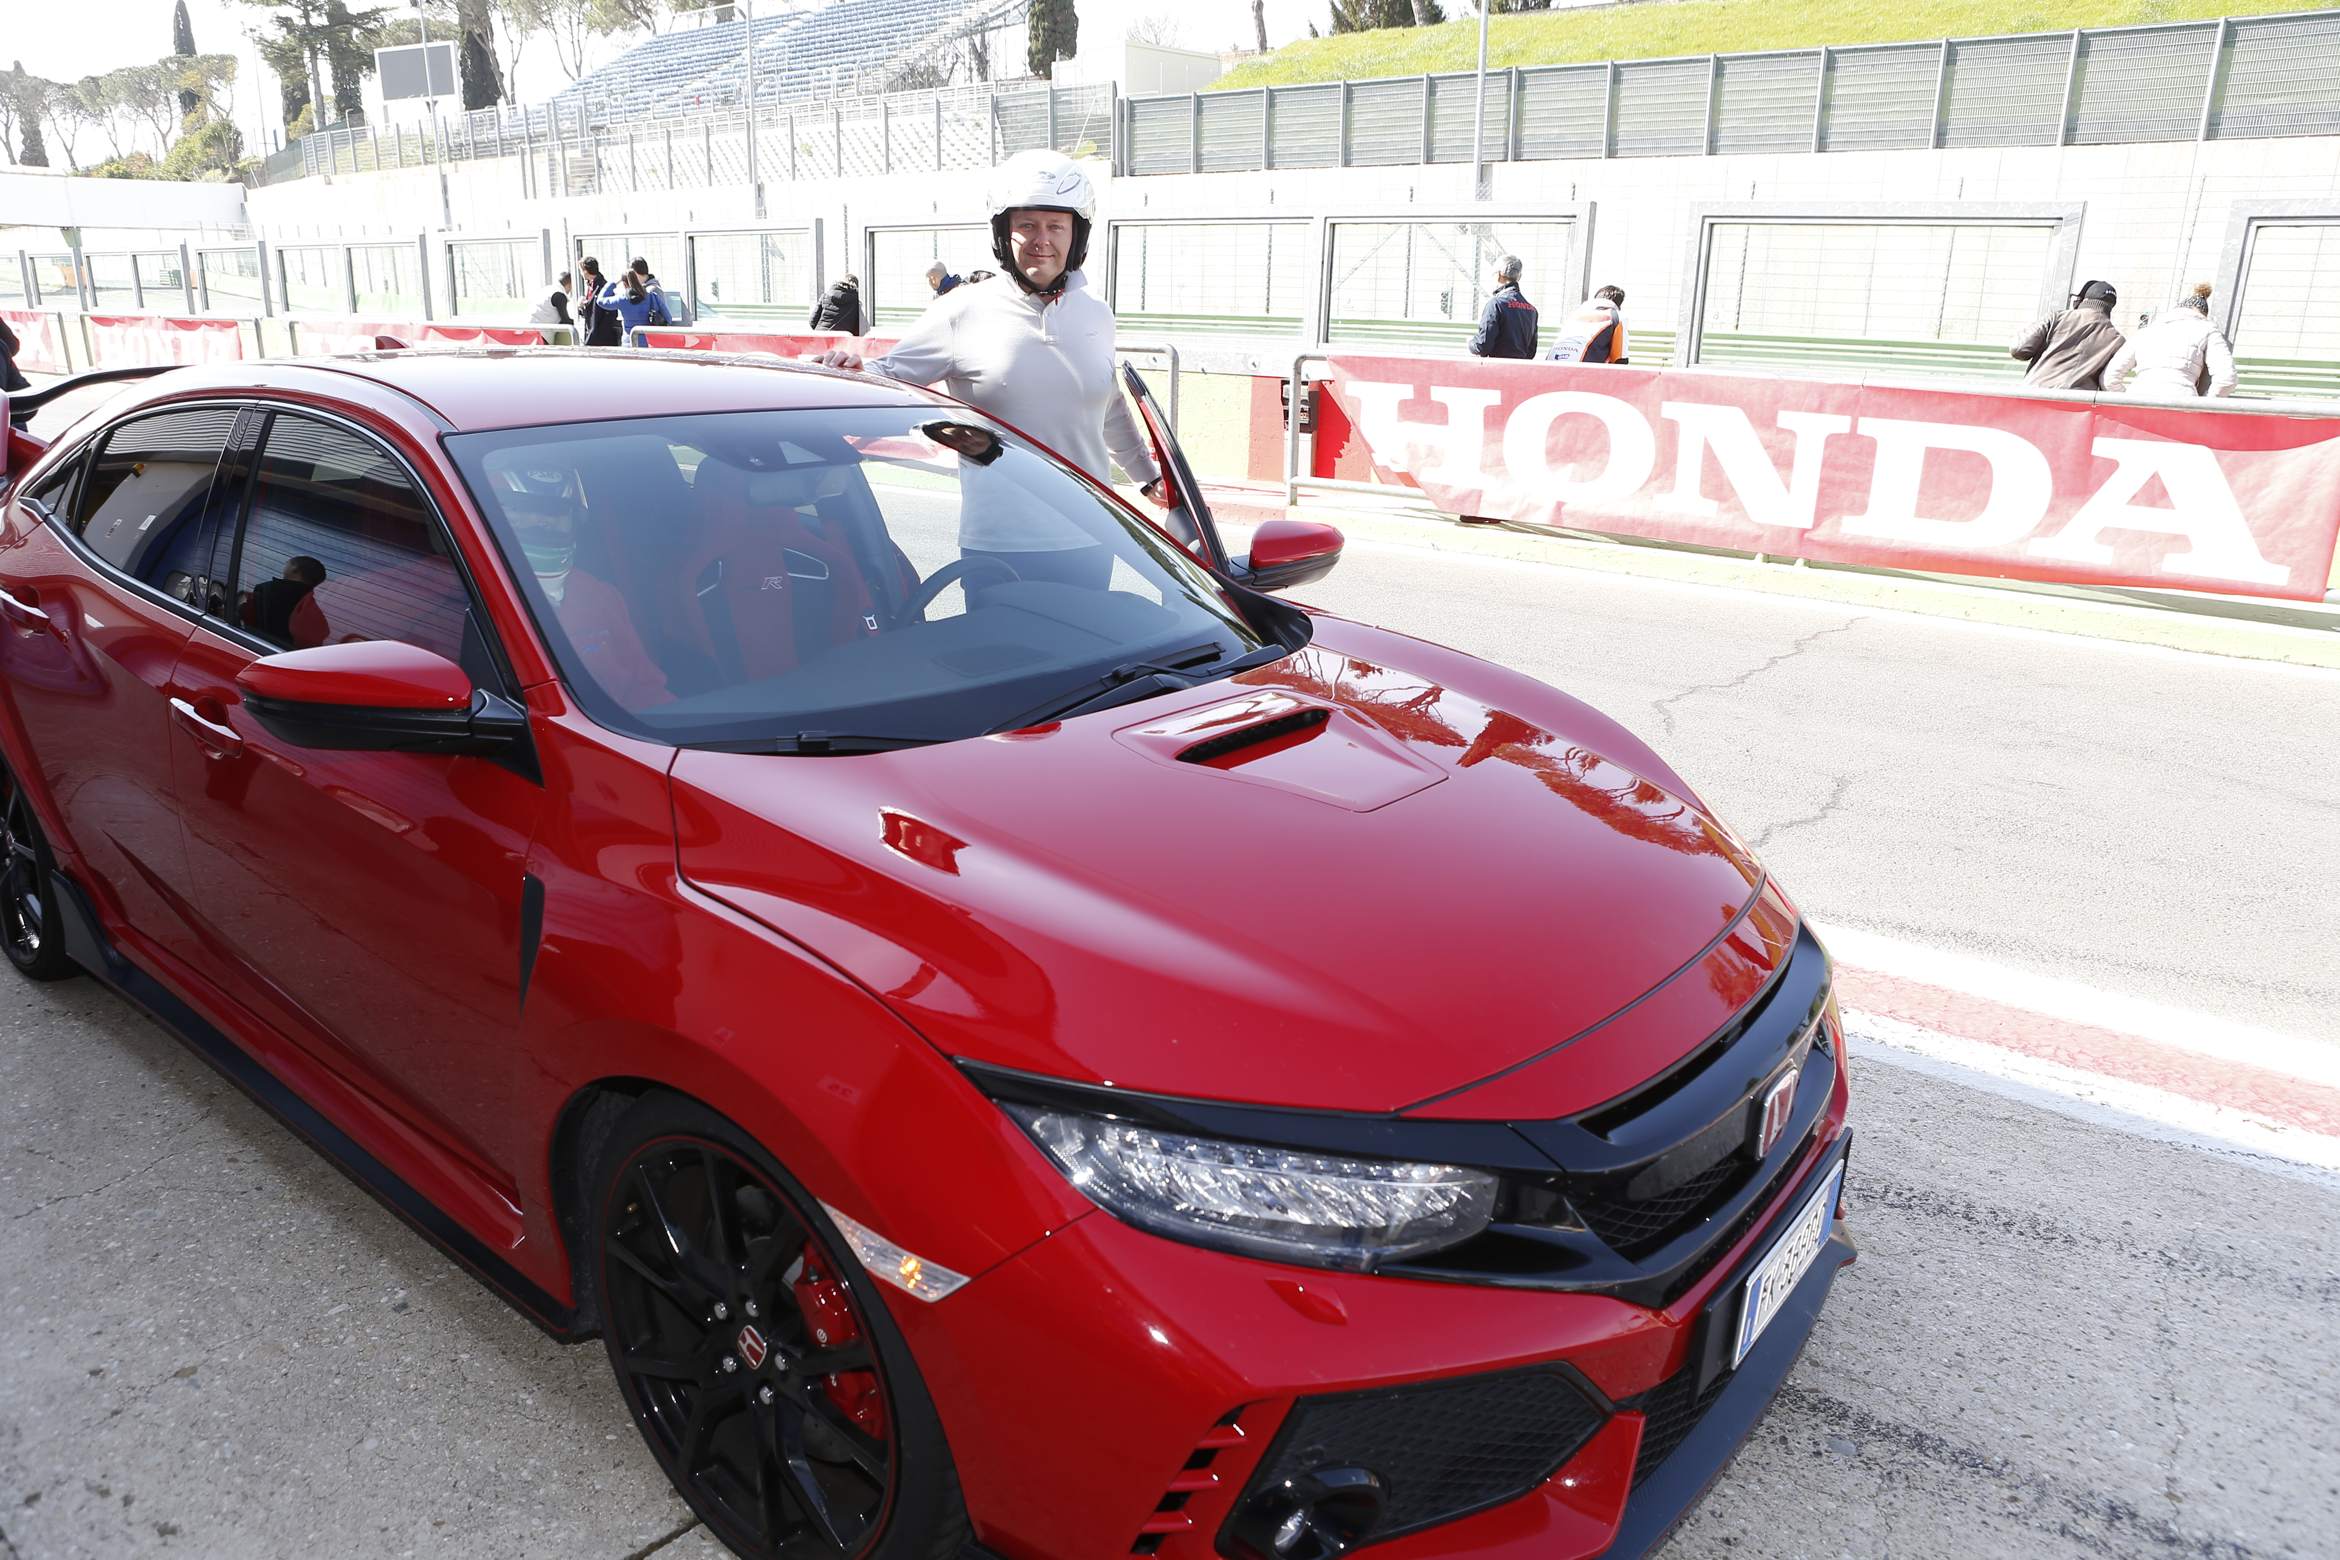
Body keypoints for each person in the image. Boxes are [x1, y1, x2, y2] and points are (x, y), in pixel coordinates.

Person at [815, 150, 1168, 594]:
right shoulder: (962, 310)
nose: (1042, 240)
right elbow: (890, 376)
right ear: (1004, 233)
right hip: (1003, 546)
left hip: (1093, 534)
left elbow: (1108, 405)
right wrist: (853, 369)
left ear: (1077, 235)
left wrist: (1147, 478)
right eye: (1027, 225)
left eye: (1056, 226)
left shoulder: (1097, 313)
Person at [503, 485, 671, 707]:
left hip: (605, 726)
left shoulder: (598, 595)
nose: (545, 520)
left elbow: (645, 688)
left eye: (557, 510)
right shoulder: (471, 597)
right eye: (523, 508)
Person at [2105, 283, 2236, 399]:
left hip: (2138, 401)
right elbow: (2226, 379)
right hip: (2180, 403)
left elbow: (2110, 378)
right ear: (2203, 314)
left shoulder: (2147, 331)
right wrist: (2204, 405)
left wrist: (2128, 398)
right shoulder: (2208, 329)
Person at [2011, 279, 2126, 390]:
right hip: (2078, 401)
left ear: (2082, 299)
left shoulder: (2058, 317)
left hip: (2037, 394)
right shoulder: (2118, 340)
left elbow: (2019, 349)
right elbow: (2109, 381)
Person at [242, 555, 327, 648]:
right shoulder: (315, 603)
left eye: (287, 564)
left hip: (259, 644)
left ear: (294, 568)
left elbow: (245, 619)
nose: (284, 567)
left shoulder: (267, 589)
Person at [1468, 256, 1538, 359]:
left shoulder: (1496, 304)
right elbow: (1531, 352)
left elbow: (1482, 346)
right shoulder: (1532, 310)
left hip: (1498, 367)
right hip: (1521, 367)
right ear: (1519, 277)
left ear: (1498, 275)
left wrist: (1471, 343)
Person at [1544, 285, 1628, 364]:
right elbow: (1620, 359)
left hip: (1550, 364)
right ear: (1619, 305)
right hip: (1582, 369)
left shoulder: (1575, 314)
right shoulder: (1617, 316)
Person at [598, 268, 670, 344]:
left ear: (624, 284)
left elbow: (600, 301)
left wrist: (613, 284)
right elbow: (668, 318)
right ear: (637, 280)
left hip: (629, 342)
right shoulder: (652, 296)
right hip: (649, 342)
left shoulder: (621, 299)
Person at [576, 257, 622, 347]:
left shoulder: (602, 288)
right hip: (594, 333)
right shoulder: (591, 285)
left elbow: (600, 314)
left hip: (602, 336)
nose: (581, 274)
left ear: (585, 271)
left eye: (581, 271)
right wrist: (582, 306)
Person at [629, 256, 680, 326]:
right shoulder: (651, 288)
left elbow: (664, 315)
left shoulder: (652, 290)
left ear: (635, 273)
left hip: (652, 329)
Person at [529, 271, 574, 345]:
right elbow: (565, 321)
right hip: (542, 335)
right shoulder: (560, 295)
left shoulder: (546, 289)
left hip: (529, 329)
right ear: (569, 285)